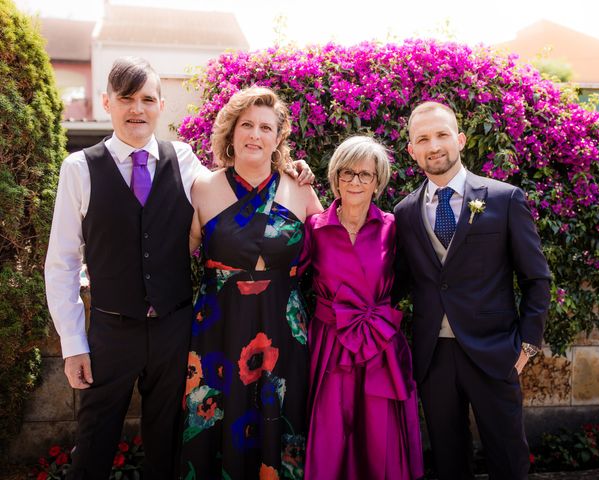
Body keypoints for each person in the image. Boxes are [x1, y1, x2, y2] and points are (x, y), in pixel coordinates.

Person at [44, 57, 313, 480]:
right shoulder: (79, 168)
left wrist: (290, 168)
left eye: (147, 99)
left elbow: (235, 193)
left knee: (167, 446)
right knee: (94, 442)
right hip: (112, 331)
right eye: (126, 99)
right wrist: (73, 342)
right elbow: (62, 262)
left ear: (161, 104)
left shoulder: (184, 160)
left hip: (174, 330)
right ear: (107, 102)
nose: (137, 109)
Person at [393, 102, 551, 480]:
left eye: (442, 134)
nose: (434, 146)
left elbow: (537, 279)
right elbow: (398, 283)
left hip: (495, 352)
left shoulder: (504, 199)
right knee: (449, 461)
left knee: (508, 457)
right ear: (411, 150)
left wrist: (526, 347)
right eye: (423, 139)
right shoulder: (403, 213)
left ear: (460, 139)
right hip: (434, 358)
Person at [180, 86, 323, 479]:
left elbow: (335, 256)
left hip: (284, 329)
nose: (255, 135)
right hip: (218, 329)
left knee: (281, 421)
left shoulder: (301, 188)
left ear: (278, 138)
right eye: (246, 125)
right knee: (217, 419)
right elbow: (173, 260)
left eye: (265, 127)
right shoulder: (204, 188)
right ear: (231, 132)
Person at [301, 136, 423, 480]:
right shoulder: (315, 227)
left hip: (379, 346)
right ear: (335, 178)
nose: (355, 181)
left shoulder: (392, 227)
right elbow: (291, 277)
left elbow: (410, 277)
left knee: (378, 433)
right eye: (347, 173)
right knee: (330, 430)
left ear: (377, 181)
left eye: (365, 175)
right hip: (329, 343)